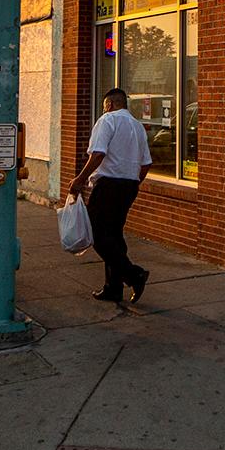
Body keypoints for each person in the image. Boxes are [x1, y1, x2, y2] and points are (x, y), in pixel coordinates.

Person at [65, 87, 152, 304]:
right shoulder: (138, 126)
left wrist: (80, 179)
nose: (104, 109)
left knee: (96, 234)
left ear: (110, 104)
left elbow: (98, 153)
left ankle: (134, 274)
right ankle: (113, 288)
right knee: (113, 234)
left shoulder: (107, 120)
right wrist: (133, 183)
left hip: (108, 184)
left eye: (105, 106)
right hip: (129, 185)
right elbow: (146, 164)